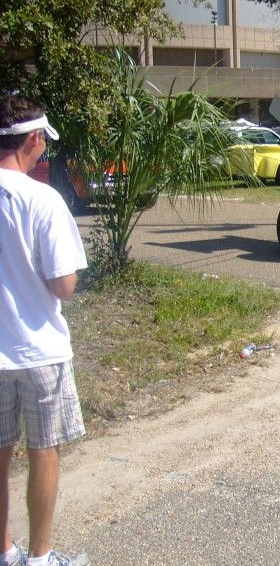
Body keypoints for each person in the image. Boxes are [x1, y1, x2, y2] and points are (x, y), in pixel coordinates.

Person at [0, 95, 90, 566]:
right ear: (33, 139)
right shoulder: (42, 199)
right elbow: (64, 285)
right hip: (37, 351)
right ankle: (39, 557)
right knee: (43, 452)